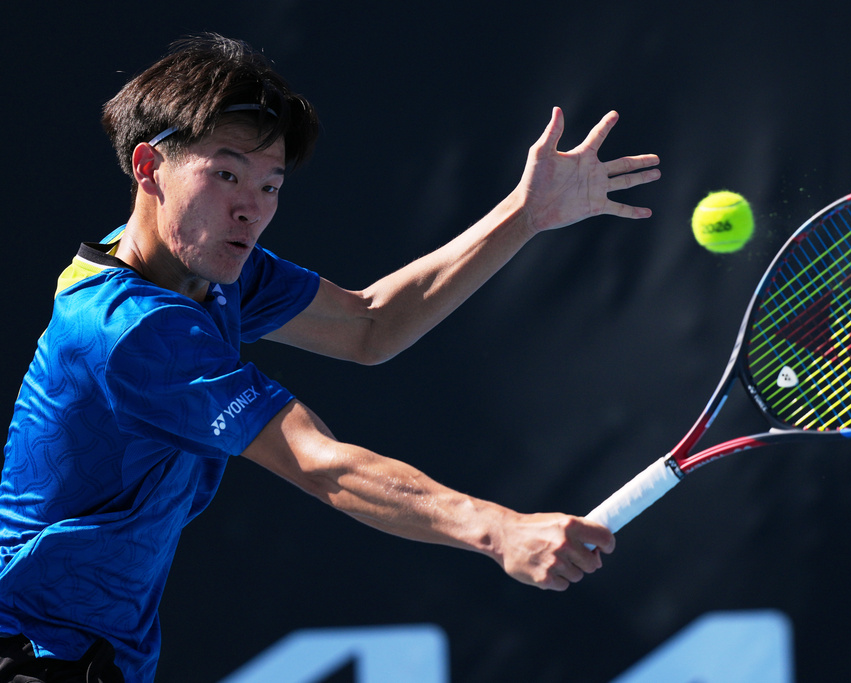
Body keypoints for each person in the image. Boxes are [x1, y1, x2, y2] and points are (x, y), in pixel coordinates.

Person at [0, 33, 661, 682]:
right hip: (29, 653)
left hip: (93, 658)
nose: (249, 210)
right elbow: (320, 464)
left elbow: (369, 324)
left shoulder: (198, 268)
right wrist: (498, 530)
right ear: (149, 169)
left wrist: (525, 214)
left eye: (270, 185)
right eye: (226, 173)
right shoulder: (129, 330)